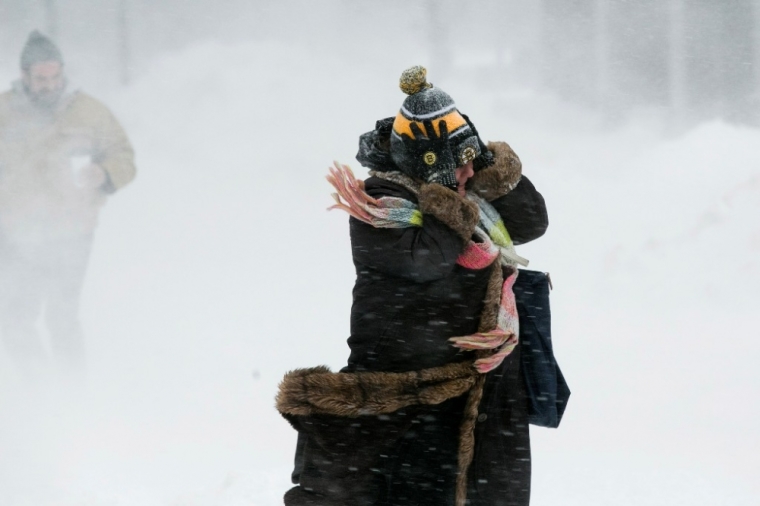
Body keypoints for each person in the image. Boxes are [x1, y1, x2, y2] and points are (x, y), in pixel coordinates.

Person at [276, 66, 548, 506]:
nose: (465, 171)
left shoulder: (473, 192)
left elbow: (532, 222)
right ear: (428, 161)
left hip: (483, 384)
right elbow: (426, 261)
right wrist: (445, 197)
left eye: (468, 158)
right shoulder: (382, 202)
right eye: (454, 162)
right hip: (407, 390)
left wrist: (489, 166)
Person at [0, 31, 136, 373]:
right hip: (16, 235)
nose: (49, 84)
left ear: (63, 72)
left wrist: (103, 173)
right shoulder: (4, 112)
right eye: (41, 78)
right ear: (25, 75)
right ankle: (41, 398)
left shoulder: (89, 111)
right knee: (17, 319)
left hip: (72, 232)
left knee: (61, 318)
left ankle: (72, 398)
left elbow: (124, 157)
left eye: (55, 76)